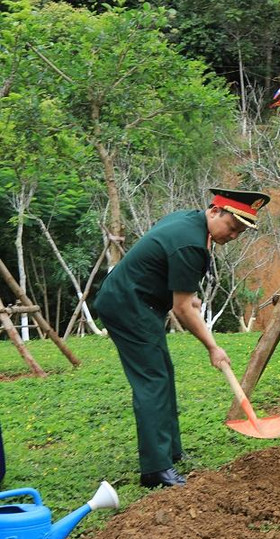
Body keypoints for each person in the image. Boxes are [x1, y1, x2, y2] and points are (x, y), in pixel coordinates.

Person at [94, 189, 269, 488]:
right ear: (215, 211)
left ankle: (171, 452)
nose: (234, 236)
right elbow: (182, 308)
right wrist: (213, 347)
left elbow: (175, 283)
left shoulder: (191, 222)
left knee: (162, 374)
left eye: (241, 231)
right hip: (129, 305)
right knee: (153, 381)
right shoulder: (191, 244)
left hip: (139, 301)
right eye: (232, 227)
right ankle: (155, 470)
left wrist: (189, 297)